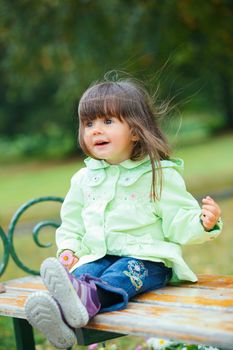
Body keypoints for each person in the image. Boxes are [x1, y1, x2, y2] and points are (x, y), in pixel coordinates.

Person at [25, 77, 222, 349]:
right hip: (98, 255)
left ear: (135, 131)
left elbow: (178, 220)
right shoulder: (84, 179)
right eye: (89, 123)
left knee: (121, 274)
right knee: (85, 272)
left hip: (148, 260)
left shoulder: (159, 174)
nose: (95, 130)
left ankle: (80, 301)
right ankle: (64, 317)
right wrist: (69, 250)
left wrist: (203, 223)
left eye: (107, 121)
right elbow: (71, 225)